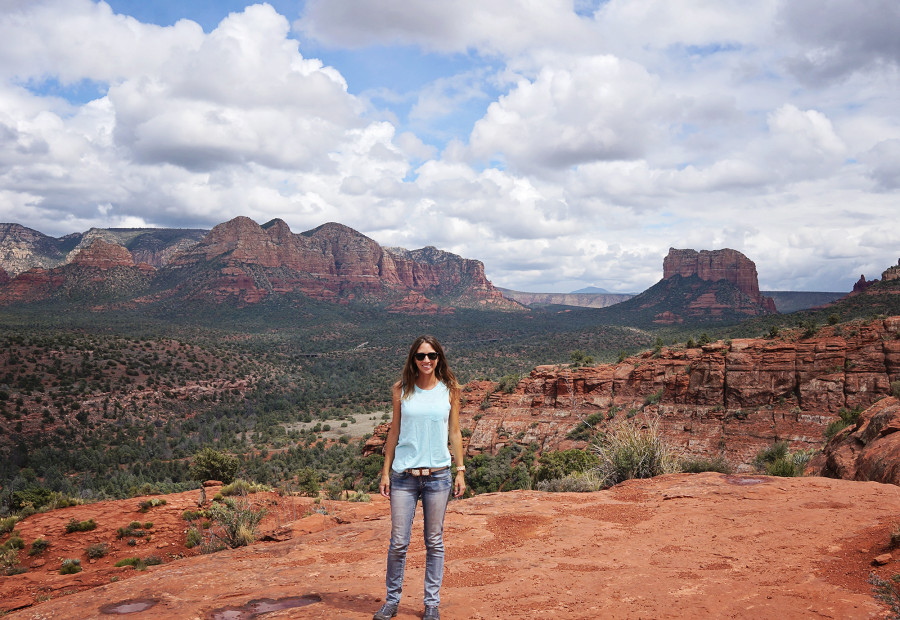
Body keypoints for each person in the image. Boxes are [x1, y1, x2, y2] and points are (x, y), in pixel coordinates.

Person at [373, 335, 466, 620]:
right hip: (404, 476)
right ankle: (392, 601)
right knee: (399, 542)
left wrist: (460, 469)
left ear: (440, 358)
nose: (427, 360)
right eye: (421, 356)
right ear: (413, 359)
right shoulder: (402, 389)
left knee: (434, 541)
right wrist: (386, 471)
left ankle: (431, 604)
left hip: (438, 476)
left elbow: (454, 431)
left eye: (432, 355)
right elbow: (394, 431)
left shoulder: (450, 389)